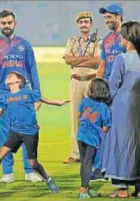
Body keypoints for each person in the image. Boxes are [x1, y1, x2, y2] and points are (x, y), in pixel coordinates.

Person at [0, 71, 69, 193]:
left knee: (33, 163)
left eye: (12, 76)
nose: (9, 76)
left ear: (18, 81)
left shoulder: (28, 92)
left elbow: (45, 99)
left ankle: (48, 179)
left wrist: (60, 102)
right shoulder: (5, 97)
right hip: (15, 132)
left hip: (30, 133)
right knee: (0, 154)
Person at [0, 10, 43, 183]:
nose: (6, 26)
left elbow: (32, 69)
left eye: (9, 23)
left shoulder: (24, 45)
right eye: (3, 23)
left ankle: (29, 171)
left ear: (15, 24)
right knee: (4, 134)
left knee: (27, 131)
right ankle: (7, 172)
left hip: (24, 96)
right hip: (4, 96)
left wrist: (37, 93)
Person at [102, 21, 140, 198]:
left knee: (122, 143)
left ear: (127, 38)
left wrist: (105, 103)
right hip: (137, 106)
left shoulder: (121, 59)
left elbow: (113, 86)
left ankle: (122, 186)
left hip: (122, 107)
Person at [92, 4, 126, 181]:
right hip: (106, 92)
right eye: (105, 18)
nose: (106, 20)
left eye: (109, 17)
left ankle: (121, 169)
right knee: (101, 129)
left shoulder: (128, 37)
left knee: (121, 131)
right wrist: (95, 86)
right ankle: (101, 168)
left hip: (122, 91)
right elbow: (103, 64)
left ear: (119, 16)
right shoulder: (106, 39)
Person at [63, 12, 102, 164]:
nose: (84, 24)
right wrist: (87, 58)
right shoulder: (72, 41)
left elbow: (97, 61)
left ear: (91, 24)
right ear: (78, 25)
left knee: (93, 117)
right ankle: (76, 153)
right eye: (81, 22)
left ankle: (95, 154)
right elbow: (67, 59)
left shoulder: (98, 41)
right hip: (76, 82)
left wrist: (77, 61)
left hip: (91, 82)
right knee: (76, 117)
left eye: (86, 22)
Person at [77, 78, 111, 199]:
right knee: (88, 163)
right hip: (92, 139)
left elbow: (79, 115)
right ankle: (83, 190)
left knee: (84, 163)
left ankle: (87, 189)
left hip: (80, 136)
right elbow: (106, 126)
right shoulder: (104, 108)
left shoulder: (85, 101)